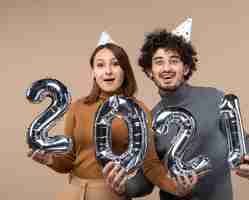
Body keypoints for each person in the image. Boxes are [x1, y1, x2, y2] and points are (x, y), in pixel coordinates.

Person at [27, 36, 196, 200]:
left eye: (115, 64)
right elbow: (69, 160)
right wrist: (50, 159)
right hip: (73, 192)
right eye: (100, 65)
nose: (108, 71)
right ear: (93, 72)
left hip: (111, 194)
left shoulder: (138, 110)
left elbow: (151, 165)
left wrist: (176, 188)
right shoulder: (78, 107)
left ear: (125, 70)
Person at [121, 28, 249, 200]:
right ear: (150, 71)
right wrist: (121, 186)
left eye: (174, 61)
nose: (166, 68)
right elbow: (146, 181)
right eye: (159, 62)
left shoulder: (215, 98)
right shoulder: (149, 121)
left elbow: (242, 140)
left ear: (186, 68)